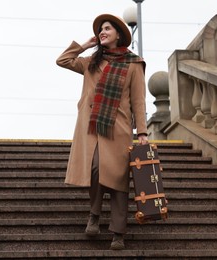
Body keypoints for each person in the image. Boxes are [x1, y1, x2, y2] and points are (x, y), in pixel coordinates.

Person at [56, 13, 148, 250]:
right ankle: (94, 214)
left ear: (119, 33)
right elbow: (63, 60)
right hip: (91, 128)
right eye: (100, 30)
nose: (102, 32)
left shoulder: (133, 64)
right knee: (95, 168)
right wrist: (85, 45)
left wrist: (143, 132)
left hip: (119, 129)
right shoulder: (91, 62)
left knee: (118, 180)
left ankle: (118, 233)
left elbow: (138, 100)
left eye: (107, 28)